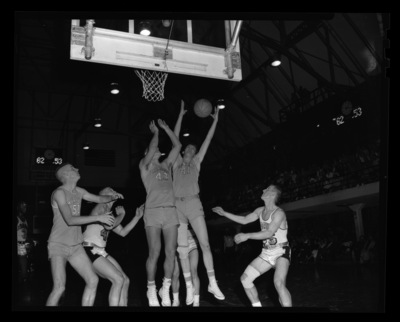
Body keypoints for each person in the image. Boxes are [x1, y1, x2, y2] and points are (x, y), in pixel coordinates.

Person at [46, 163, 123, 306]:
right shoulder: (59, 193)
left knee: (93, 280)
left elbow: (100, 199)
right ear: (66, 175)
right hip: (58, 245)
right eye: (73, 168)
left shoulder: (79, 191)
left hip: (76, 246)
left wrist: (112, 197)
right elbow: (70, 220)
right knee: (59, 287)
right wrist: (99, 218)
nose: (77, 169)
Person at [173, 100, 225, 301]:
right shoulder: (176, 160)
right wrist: (180, 115)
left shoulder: (196, 162)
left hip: (194, 203)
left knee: (204, 243)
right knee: (182, 250)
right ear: (184, 150)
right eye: (190, 148)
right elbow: (175, 138)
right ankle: (188, 285)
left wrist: (215, 121)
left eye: (195, 149)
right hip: (177, 205)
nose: (193, 150)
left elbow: (208, 140)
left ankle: (212, 283)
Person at [212, 184, 292, 307]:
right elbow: (244, 219)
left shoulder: (279, 213)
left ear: (272, 194)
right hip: (266, 253)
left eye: (267, 189)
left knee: (279, 283)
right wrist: (224, 213)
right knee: (245, 279)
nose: (263, 189)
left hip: (281, 251)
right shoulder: (260, 210)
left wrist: (247, 235)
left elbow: (269, 232)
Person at [139, 119, 182, 307]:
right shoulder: (145, 166)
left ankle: (165, 288)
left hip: (171, 212)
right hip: (154, 212)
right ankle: (150, 288)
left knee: (171, 252)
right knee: (154, 252)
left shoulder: (166, 165)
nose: (157, 149)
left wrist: (166, 128)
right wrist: (156, 133)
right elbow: (154, 145)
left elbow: (178, 145)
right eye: (152, 149)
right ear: (147, 153)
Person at [83, 187, 144, 306]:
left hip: (99, 251)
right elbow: (109, 226)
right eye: (110, 190)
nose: (114, 191)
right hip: (89, 249)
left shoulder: (108, 213)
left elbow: (123, 232)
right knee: (118, 279)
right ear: (104, 195)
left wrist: (137, 217)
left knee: (125, 280)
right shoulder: (101, 206)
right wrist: (122, 214)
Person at [170, 225, 201, 307]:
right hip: (178, 245)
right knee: (175, 274)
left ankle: (196, 302)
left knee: (193, 271)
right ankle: (175, 300)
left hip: (192, 243)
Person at [16, 200, 37, 284]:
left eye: (26, 206)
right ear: (18, 207)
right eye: (23, 206)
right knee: (22, 264)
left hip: (23, 245)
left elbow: (24, 233)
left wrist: (31, 240)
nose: (25, 208)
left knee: (25, 264)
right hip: (18, 244)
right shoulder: (16, 218)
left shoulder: (24, 220)